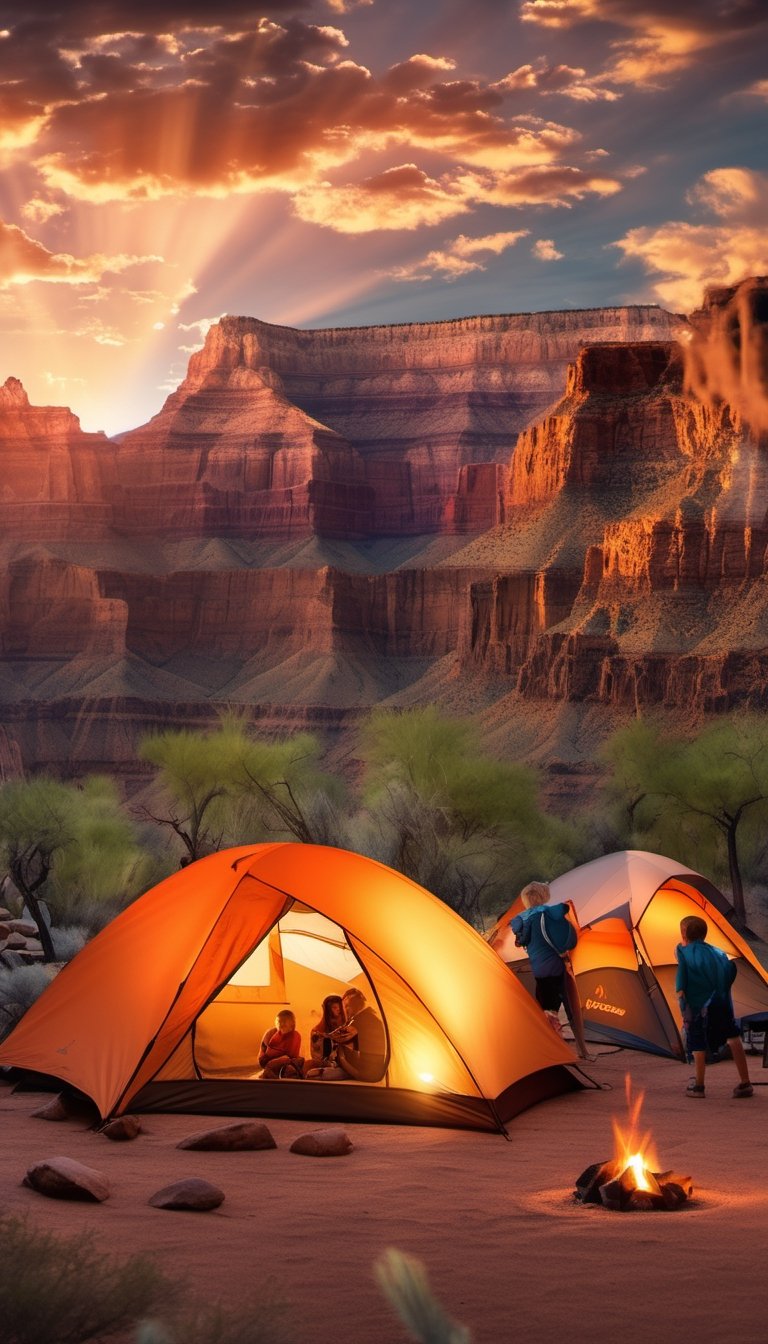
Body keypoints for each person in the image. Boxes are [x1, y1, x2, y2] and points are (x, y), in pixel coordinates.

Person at [509, 880, 589, 1059]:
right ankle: (581, 1050)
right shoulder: (549, 914)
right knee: (571, 1008)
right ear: (543, 896)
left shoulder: (522, 920)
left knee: (548, 1010)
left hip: (539, 970)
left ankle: (553, 1051)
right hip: (556, 966)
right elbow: (563, 940)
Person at [676, 914, 753, 1099]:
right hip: (721, 1002)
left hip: (697, 1006)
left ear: (684, 934)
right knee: (733, 1037)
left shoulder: (684, 953)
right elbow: (730, 971)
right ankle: (745, 1082)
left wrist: (683, 1004)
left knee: (697, 1042)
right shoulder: (718, 952)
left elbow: (681, 985)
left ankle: (699, 1086)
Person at [307, 987, 387, 1082]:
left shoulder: (359, 1022)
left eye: (347, 1006)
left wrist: (324, 1037)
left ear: (356, 1004)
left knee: (312, 1074)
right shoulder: (371, 1017)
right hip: (370, 1070)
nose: (345, 1010)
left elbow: (338, 1037)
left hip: (362, 1072)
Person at [304, 994, 346, 1078]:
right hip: (325, 1066)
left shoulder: (347, 1029)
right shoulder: (317, 1032)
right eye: (334, 1008)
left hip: (343, 1067)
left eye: (340, 1007)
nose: (338, 1010)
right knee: (308, 1067)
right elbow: (316, 1056)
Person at [258, 1009, 303, 1079]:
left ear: (292, 1023)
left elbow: (293, 1056)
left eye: (284, 1022)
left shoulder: (296, 1036)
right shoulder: (272, 1033)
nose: (281, 1024)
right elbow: (263, 1058)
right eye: (280, 1022)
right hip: (268, 1061)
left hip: (287, 1062)